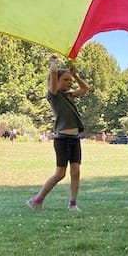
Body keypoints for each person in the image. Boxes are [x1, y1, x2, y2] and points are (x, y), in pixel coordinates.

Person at [26, 55, 90, 211]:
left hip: (74, 139)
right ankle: (37, 200)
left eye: (70, 80)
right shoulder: (53, 95)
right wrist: (53, 63)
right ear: (56, 81)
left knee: (76, 172)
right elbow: (53, 74)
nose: (69, 83)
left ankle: (73, 204)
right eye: (66, 80)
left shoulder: (69, 95)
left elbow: (85, 88)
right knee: (60, 173)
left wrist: (75, 75)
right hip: (62, 140)